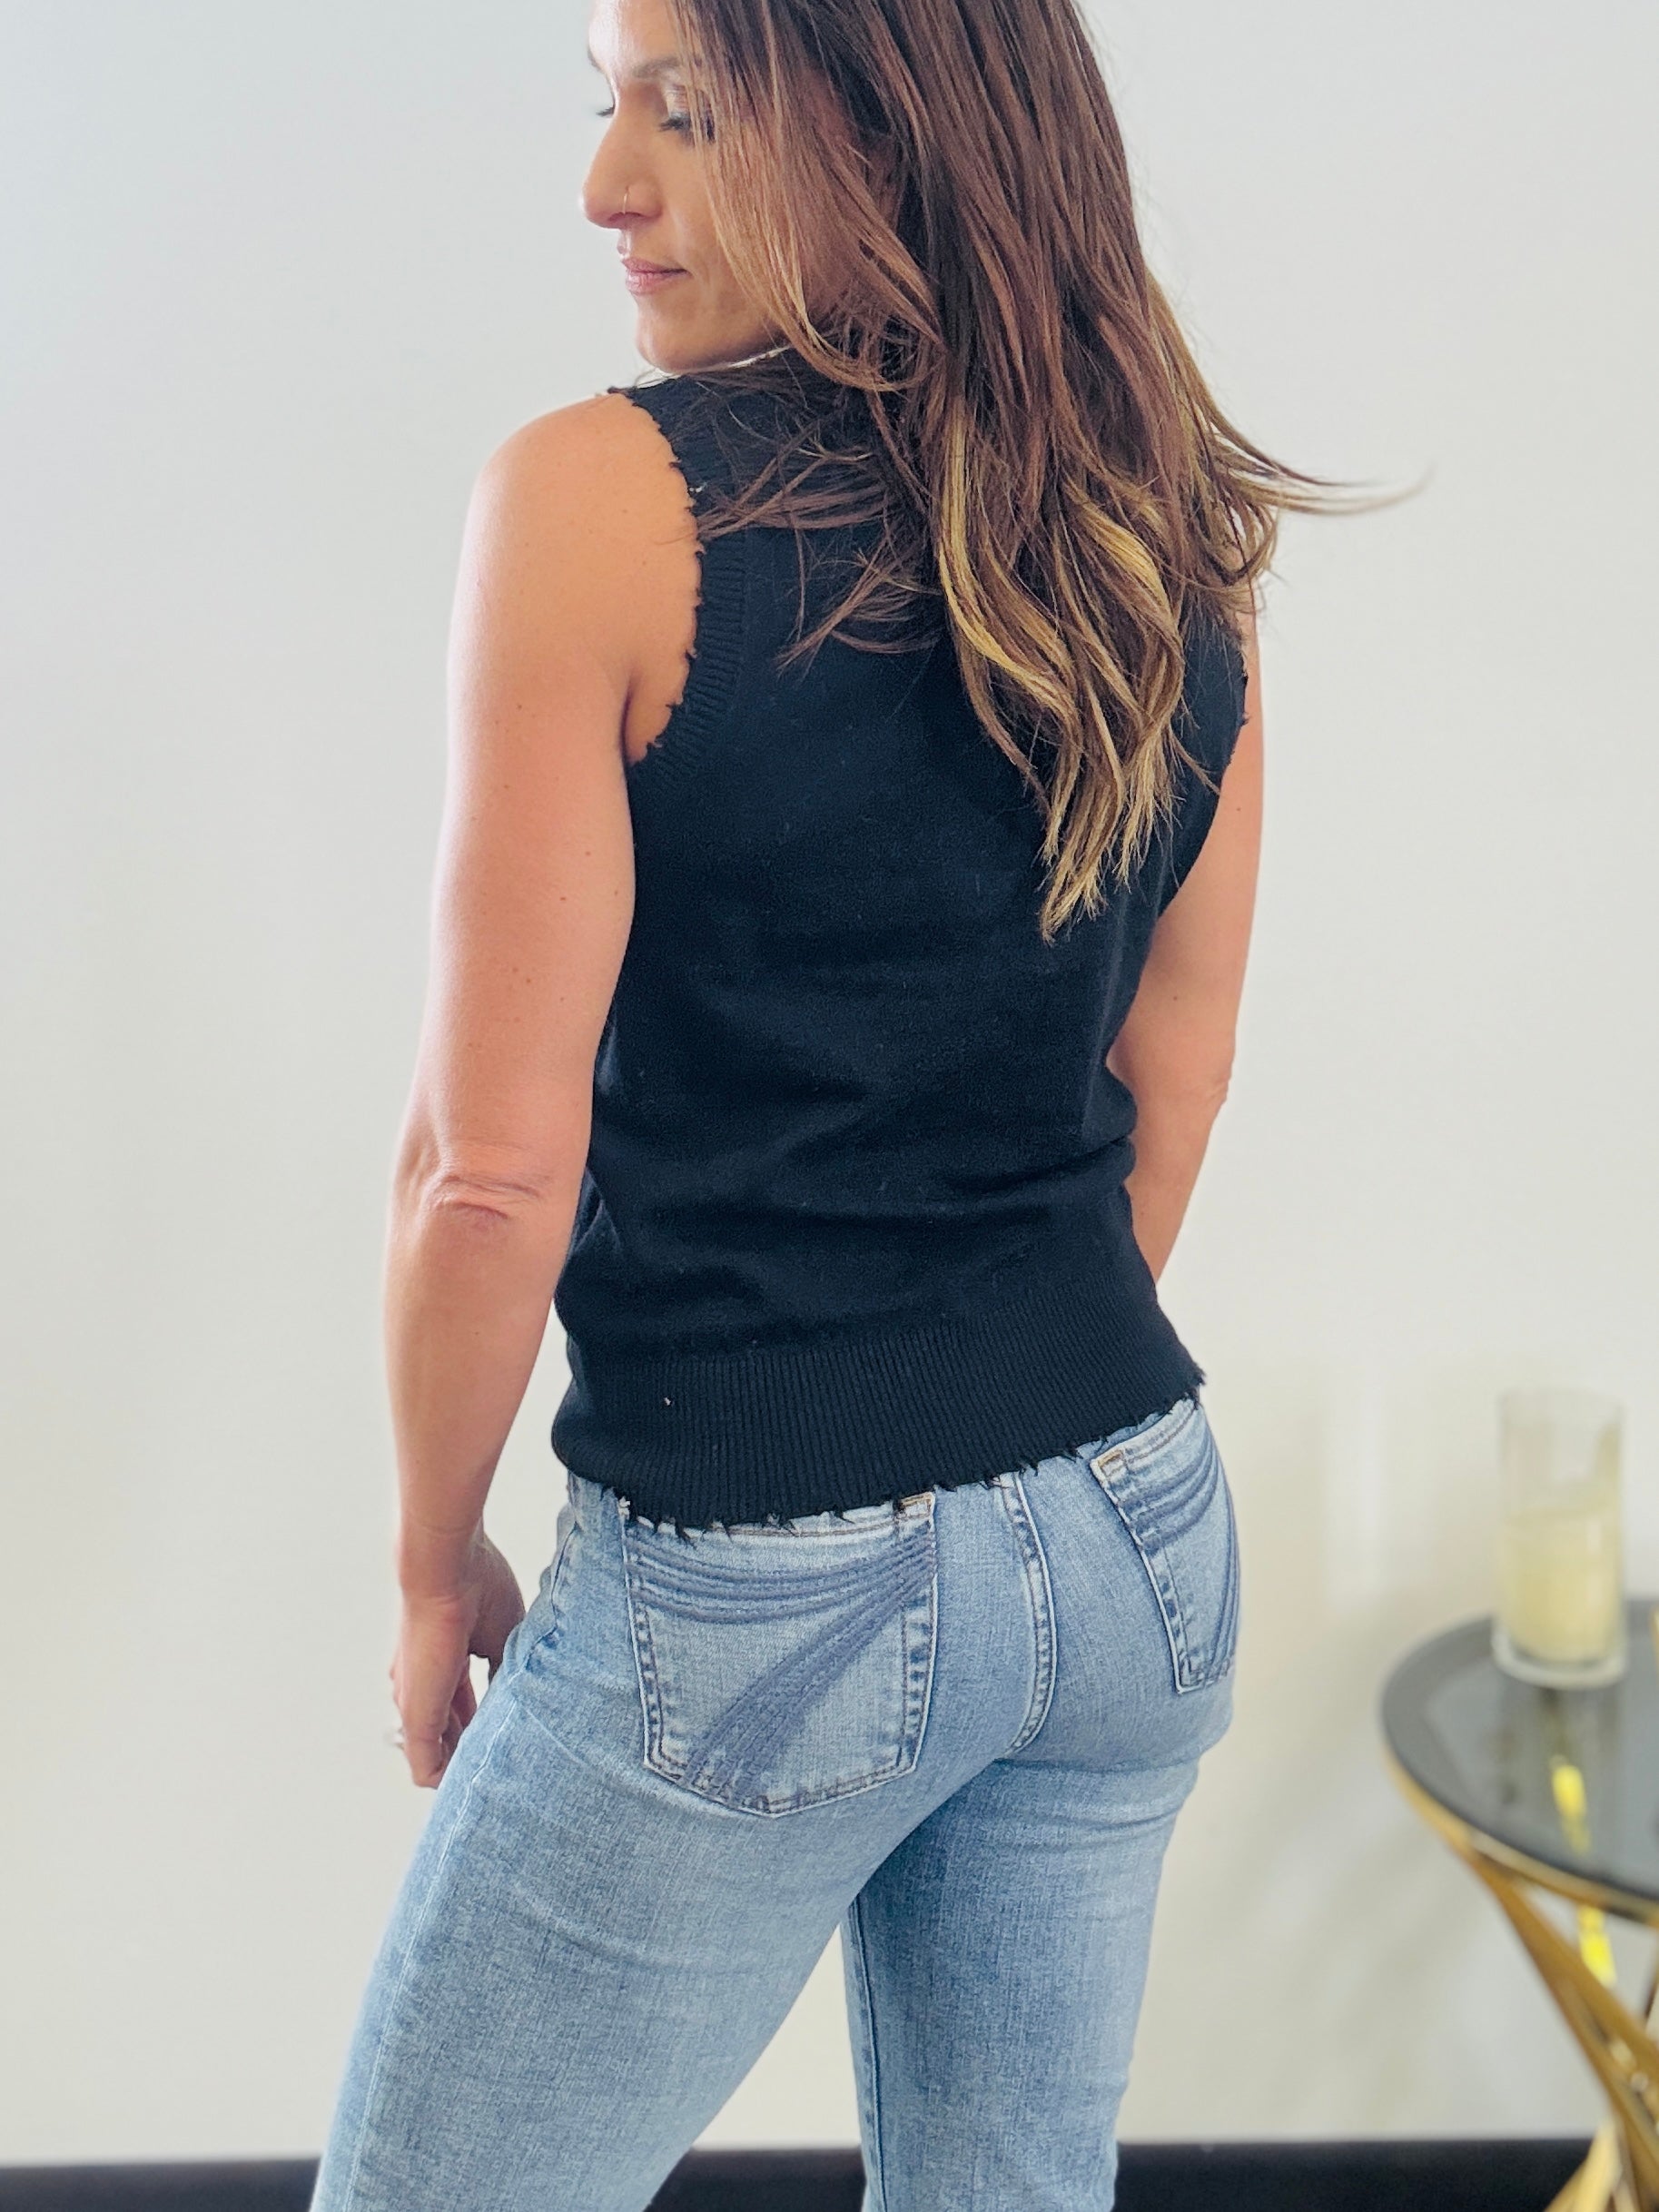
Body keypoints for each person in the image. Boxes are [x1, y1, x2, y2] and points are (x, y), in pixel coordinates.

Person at [310, 0, 1351, 2204]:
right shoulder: (1166, 508)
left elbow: (481, 1176)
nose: (606, 186)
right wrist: (992, 1447)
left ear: (895, 123)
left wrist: (429, 1559)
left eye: (683, 113)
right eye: (609, 106)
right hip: (1138, 1534)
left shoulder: (594, 501)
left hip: (754, 1566)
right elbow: (1174, 1066)